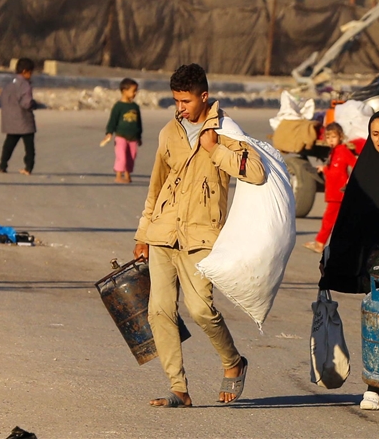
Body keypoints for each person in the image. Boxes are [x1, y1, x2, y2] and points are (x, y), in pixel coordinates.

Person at [132, 64, 266, 408]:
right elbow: (156, 184)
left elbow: (255, 171)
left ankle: (233, 361)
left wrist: (215, 150)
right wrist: (143, 233)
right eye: (176, 100)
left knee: (200, 309)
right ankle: (178, 388)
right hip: (163, 233)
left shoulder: (225, 131)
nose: (181, 108)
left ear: (204, 97)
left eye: (186, 100)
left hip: (201, 237)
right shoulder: (169, 132)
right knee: (158, 311)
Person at [317, 111, 379, 410]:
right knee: (377, 319)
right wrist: (332, 255)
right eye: (376, 133)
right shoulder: (363, 168)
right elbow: (348, 217)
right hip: (371, 259)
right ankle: (375, 384)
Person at [303, 123, 356, 253]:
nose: (331, 140)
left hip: (339, 193)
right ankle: (324, 242)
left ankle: (320, 243)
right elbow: (333, 170)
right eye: (328, 137)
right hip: (332, 192)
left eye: (333, 137)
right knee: (333, 219)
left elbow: (356, 164)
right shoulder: (333, 152)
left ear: (341, 137)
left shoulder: (343, 151)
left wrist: (350, 180)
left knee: (329, 219)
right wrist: (324, 169)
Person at [0, 58, 37, 175]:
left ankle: (2, 165)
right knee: (29, 147)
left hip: (10, 120)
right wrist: (34, 104)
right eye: (30, 72)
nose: (31, 75)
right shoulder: (25, 85)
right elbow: (26, 103)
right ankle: (28, 167)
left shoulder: (9, 84)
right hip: (24, 120)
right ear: (25, 71)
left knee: (9, 144)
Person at [101, 78, 143, 184]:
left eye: (136, 90)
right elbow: (112, 121)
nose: (135, 93)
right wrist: (109, 132)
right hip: (121, 136)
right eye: (133, 90)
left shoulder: (135, 107)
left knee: (131, 156)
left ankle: (127, 174)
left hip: (133, 137)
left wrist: (139, 136)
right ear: (124, 91)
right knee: (122, 156)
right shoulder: (118, 106)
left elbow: (138, 123)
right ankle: (119, 175)